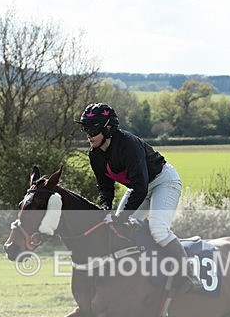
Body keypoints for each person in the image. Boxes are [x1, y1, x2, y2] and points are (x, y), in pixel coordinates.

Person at [76, 102, 201, 291]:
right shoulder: (95, 155)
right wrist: (106, 209)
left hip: (163, 182)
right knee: (118, 231)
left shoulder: (128, 144)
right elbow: (105, 187)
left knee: (158, 229)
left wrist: (121, 216)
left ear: (108, 128)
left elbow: (141, 187)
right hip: (139, 187)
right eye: (86, 129)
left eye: (93, 130)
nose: (88, 135)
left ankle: (189, 275)